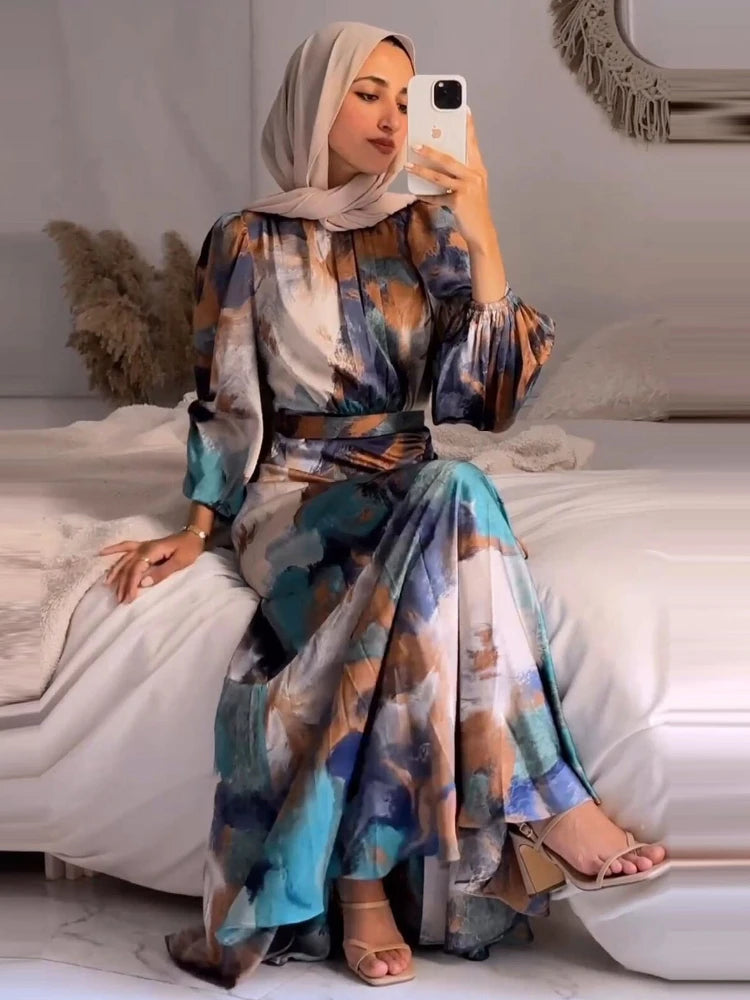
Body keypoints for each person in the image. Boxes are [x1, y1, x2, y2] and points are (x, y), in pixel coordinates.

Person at [100, 21, 667, 990]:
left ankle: (366, 878)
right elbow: (227, 397)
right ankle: (545, 803)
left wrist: (479, 218)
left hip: (409, 477)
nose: (392, 117)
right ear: (315, 102)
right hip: (296, 498)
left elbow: (483, 400)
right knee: (456, 501)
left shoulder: (423, 229)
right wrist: (197, 526)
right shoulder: (246, 239)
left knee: (456, 483)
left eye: (406, 100)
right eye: (367, 93)